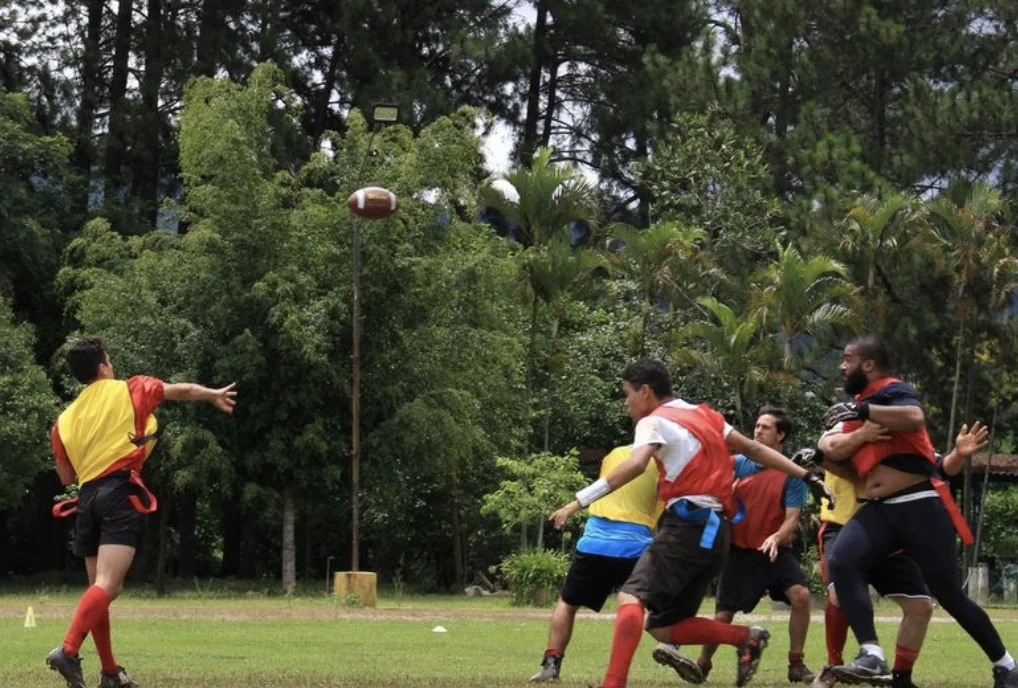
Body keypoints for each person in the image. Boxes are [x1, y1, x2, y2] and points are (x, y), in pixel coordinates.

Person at [549, 359, 834, 688]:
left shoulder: (652, 421)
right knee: (664, 626)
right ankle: (746, 637)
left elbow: (636, 464)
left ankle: (614, 684)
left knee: (631, 598)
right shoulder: (705, 414)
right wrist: (806, 475)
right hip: (716, 535)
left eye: (627, 394)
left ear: (645, 392)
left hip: (688, 524)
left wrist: (580, 500)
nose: (626, 402)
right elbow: (754, 448)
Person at [819, 334, 1018, 688]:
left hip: (919, 504)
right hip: (880, 509)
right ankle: (872, 655)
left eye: (847, 359)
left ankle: (1006, 665)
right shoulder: (861, 405)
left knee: (949, 596)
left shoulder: (890, 391)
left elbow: (914, 417)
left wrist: (861, 411)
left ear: (868, 365)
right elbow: (840, 455)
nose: (842, 366)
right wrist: (823, 453)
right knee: (842, 560)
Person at [46, 337, 237, 688]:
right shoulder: (130, 388)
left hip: (87, 498)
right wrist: (211, 394)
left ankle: (109, 673)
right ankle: (68, 650)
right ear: (104, 364)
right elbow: (178, 390)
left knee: (98, 589)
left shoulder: (64, 420)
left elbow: (66, 476)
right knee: (108, 586)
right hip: (118, 492)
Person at [807, 421, 989, 688]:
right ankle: (835, 667)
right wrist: (858, 436)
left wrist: (959, 454)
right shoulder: (839, 439)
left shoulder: (902, 440)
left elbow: (939, 469)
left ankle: (900, 678)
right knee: (839, 594)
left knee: (921, 606)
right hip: (842, 527)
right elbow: (831, 456)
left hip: (887, 534)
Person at [688, 406, 816, 684]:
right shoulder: (736, 464)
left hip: (774, 551)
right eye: (756, 426)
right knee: (723, 615)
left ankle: (796, 663)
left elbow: (792, 519)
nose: (757, 431)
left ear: (780, 435)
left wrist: (775, 537)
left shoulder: (792, 474)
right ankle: (702, 663)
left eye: (765, 427)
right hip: (739, 551)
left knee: (802, 596)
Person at [531, 445, 662, 682]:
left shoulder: (615, 455)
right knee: (659, 603)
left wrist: (571, 506)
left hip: (595, 543)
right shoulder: (665, 463)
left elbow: (606, 486)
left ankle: (551, 664)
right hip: (636, 546)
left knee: (568, 603)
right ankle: (671, 645)